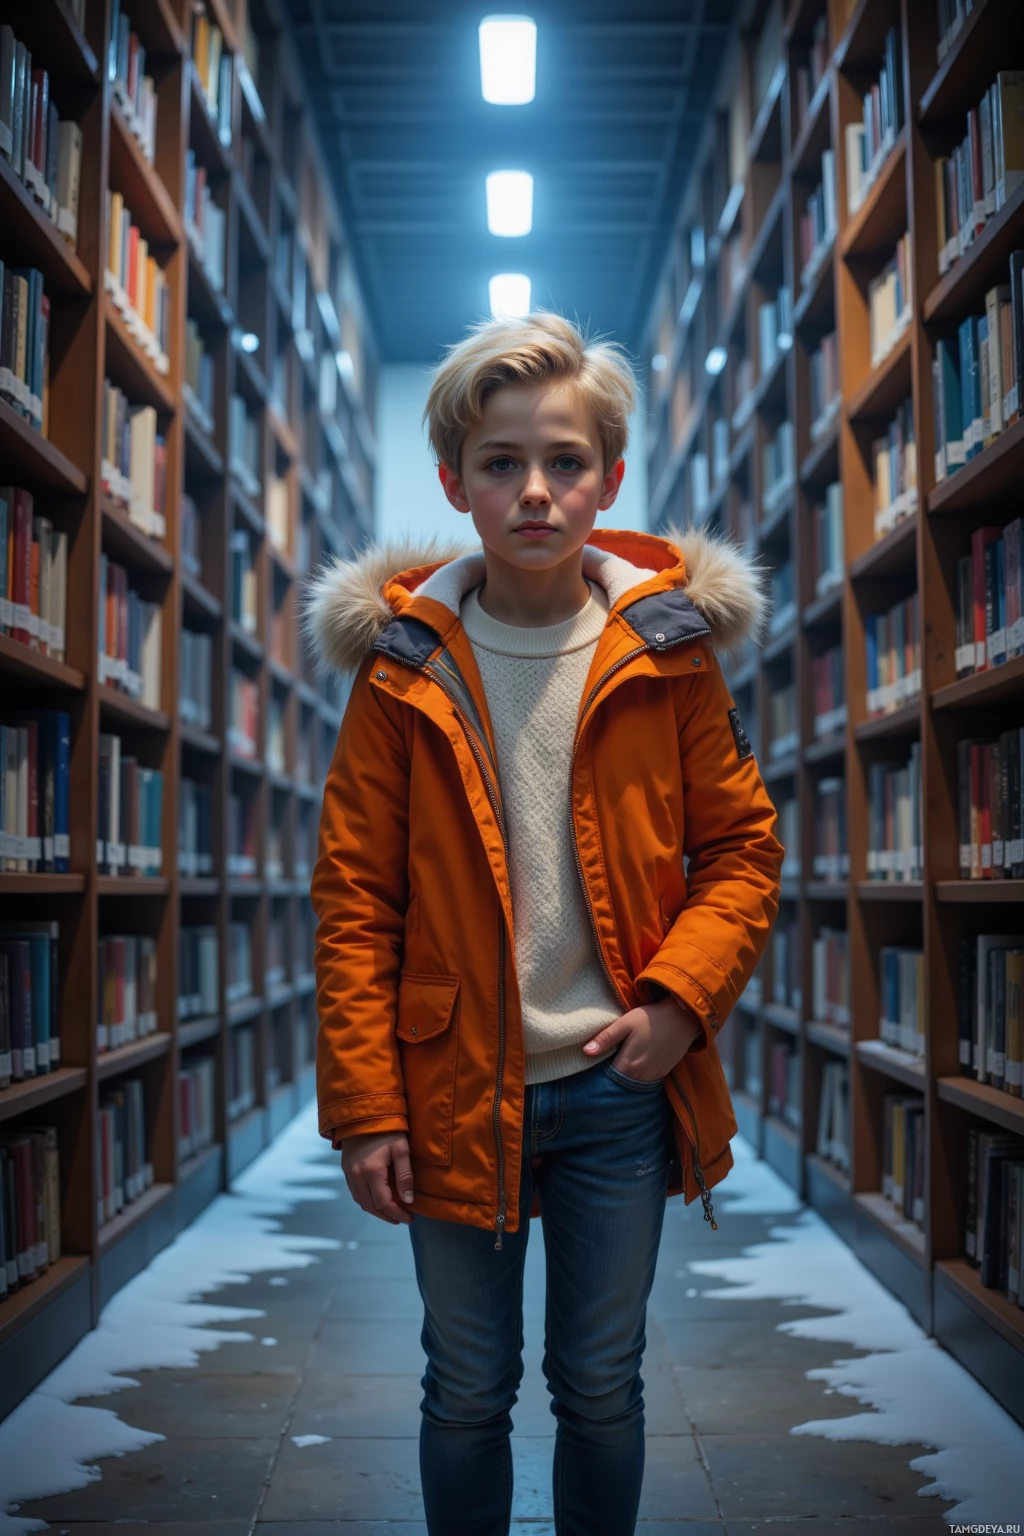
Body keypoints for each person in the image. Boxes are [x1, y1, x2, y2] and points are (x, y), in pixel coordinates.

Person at [307, 310, 783, 1536]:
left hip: (616, 1084)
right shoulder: (401, 668)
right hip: (450, 1082)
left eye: (565, 462)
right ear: (457, 484)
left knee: (601, 1388)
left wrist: (678, 1007)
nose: (535, 490)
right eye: (502, 463)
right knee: (465, 1390)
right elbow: (355, 899)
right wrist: (365, 1108)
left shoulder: (667, 656)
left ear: (609, 479)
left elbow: (741, 850)